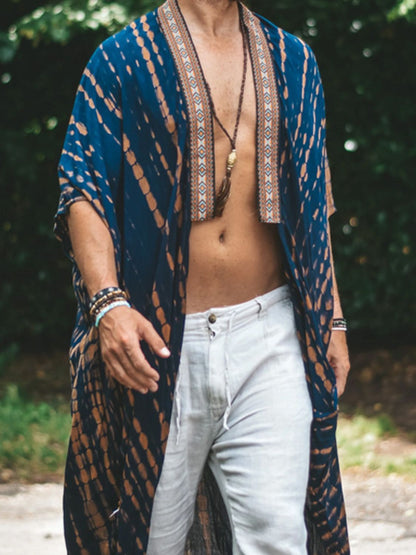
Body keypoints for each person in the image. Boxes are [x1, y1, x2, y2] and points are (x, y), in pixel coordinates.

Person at [54, 0, 351, 553]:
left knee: (278, 536)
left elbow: (315, 198)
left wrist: (332, 316)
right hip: (161, 343)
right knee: (153, 539)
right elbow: (83, 188)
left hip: (271, 333)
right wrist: (108, 305)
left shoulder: (293, 59)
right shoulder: (124, 58)